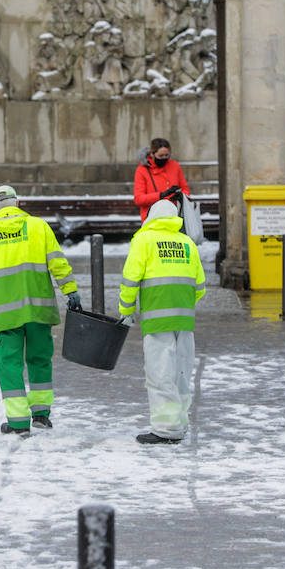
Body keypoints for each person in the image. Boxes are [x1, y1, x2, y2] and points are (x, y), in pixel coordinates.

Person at [0, 184, 81, 435]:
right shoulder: (39, 227)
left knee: (9, 365)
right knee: (40, 360)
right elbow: (58, 263)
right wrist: (70, 290)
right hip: (39, 310)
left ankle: (18, 422)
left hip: (5, 314)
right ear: (18, 203)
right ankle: (41, 414)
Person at [118, 198, 206, 444]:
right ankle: (180, 423)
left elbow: (130, 279)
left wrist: (126, 310)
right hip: (184, 320)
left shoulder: (143, 240)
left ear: (151, 217)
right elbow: (200, 287)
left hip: (157, 321)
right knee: (180, 373)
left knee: (160, 374)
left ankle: (166, 429)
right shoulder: (187, 243)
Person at [133, 137, 192, 221]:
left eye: (167, 155)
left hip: (174, 216)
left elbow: (185, 189)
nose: (164, 158)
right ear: (152, 154)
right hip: (152, 218)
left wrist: (181, 196)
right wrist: (160, 195)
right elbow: (138, 199)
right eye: (161, 156)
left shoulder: (175, 166)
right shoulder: (142, 170)